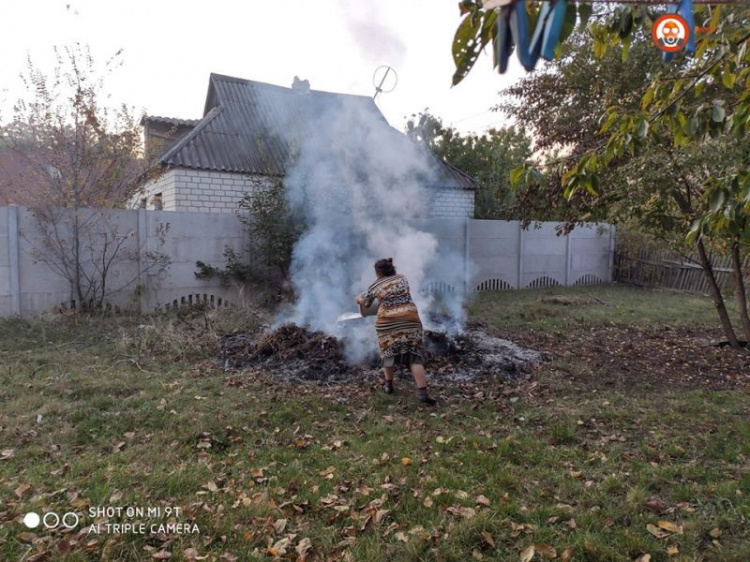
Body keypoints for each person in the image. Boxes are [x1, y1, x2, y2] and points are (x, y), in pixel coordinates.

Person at [355, 258, 437, 405]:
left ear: (378, 272)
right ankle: (423, 394)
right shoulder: (402, 278)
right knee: (414, 357)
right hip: (410, 320)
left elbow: (366, 304)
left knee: (388, 355)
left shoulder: (375, 285)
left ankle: (389, 386)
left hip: (387, 324)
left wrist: (359, 299)